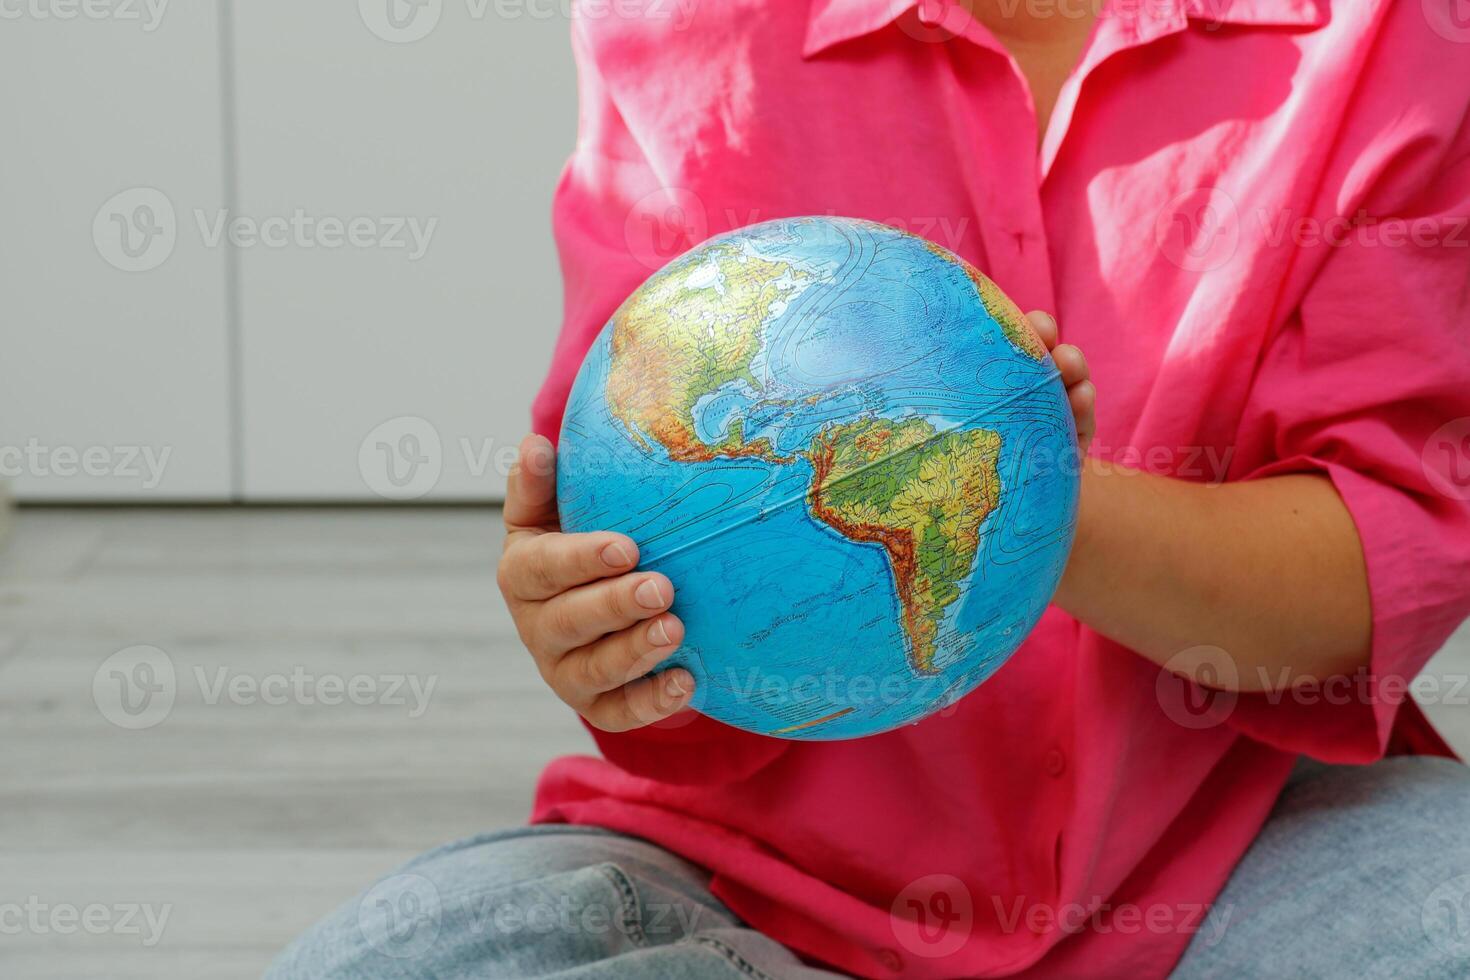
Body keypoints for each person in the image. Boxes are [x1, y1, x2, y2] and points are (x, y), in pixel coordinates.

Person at [270, 1, 1470, 976]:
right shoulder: (689, 27)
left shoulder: (1392, 35)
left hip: (1239, 857)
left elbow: (1366, 585)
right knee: (417, 952)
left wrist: (1020, 486)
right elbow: (651, 551)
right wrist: (599, 633)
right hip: (755, 891)